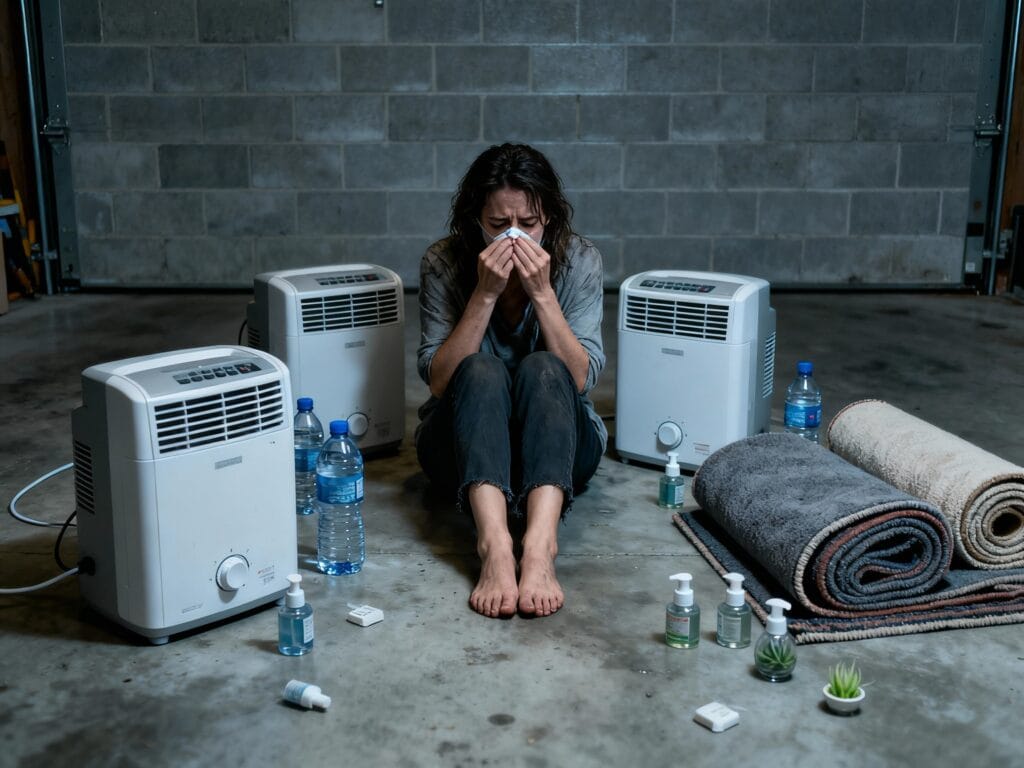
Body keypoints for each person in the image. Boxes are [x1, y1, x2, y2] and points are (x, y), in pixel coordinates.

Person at [415, 143, 607, 619]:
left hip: (558, 448)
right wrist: (484, 294)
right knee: (478, 368)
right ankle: (496, 546)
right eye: (499, 226)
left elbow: (581, 378)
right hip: (464, 451)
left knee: (545, 367)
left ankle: (540, 547)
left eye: (530, 225)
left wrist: (542, 293)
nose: (516, 238)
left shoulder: (580, 259)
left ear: (551, 220)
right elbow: (438, 382)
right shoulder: (443, 262)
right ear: (474, 220)